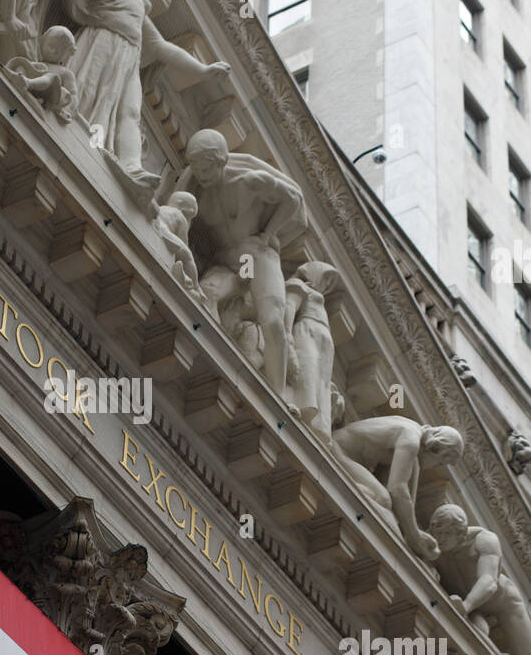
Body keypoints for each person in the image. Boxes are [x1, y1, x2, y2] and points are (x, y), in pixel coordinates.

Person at [61, 0, 229, 179]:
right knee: (88, 89)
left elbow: (160, 46)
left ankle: (131, 165)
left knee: (130, 112)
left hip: (129, 57)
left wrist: (202, 70)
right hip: (105, 41)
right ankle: (75, 128)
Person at [176, 129, 307, 396]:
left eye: (207, 167)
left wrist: (267, 234)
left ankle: (279, 396)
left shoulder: (248, 181)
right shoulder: (194, 186)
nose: (201, 174)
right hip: (228, 261)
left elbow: (292, 200)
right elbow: (177, 209)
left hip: (255, 255)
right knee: (208, 292)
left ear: (222, 161)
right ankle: (209, 358)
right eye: (196, 167)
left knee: (272, 321)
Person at [331, 418, 464, 560]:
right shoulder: (411, 440)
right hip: (339, 451)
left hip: (347, 455)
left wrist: (412, 532)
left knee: (387, 507)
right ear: (435, 448)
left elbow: (406, 497)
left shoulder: (413, 433)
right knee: (382, 499)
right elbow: (397, 489)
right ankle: (346, 503)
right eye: (439, 463)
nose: (434, 467)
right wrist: (415, 536)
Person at [428, 504, 531, 655]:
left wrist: (466, 606)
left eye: (446, 534)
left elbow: (489, 581)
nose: (439, 538)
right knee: (478, 631)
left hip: (502, 603)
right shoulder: (434, 540)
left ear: (460, 533)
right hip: (466, 601)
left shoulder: (484, 539)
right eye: (436, 532)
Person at [284, 261, 338, 442]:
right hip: (306, 328)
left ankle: (318, 425)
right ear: (314, 273)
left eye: (330, 282)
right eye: (326, 278)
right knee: (307, 366)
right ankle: (301, 405)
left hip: (324, 338)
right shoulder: (299, 286)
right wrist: (286, 332)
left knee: (321, 380)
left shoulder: (314, 293)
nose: (327, 284)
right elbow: (290, 306)